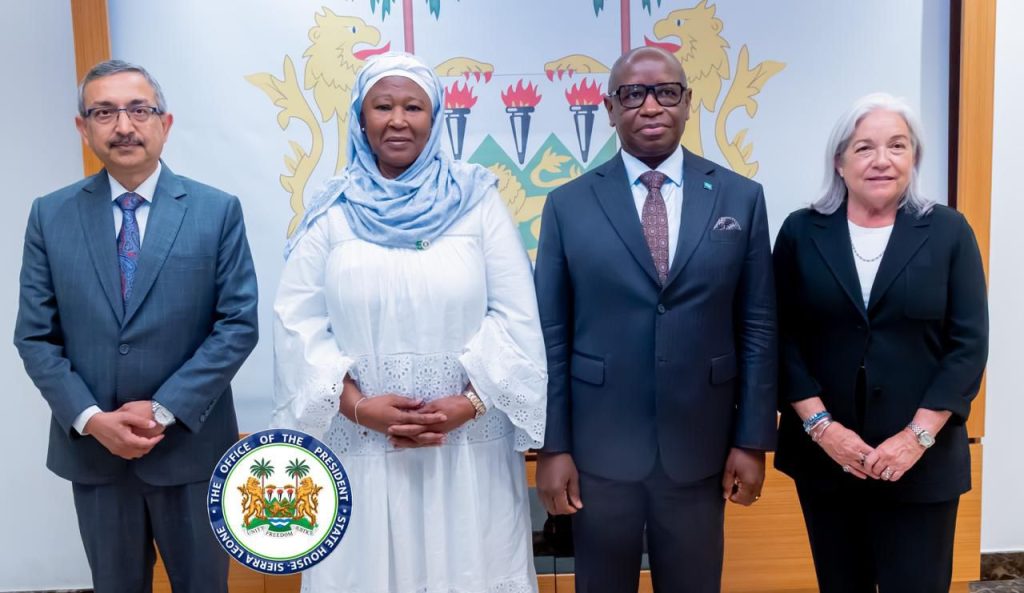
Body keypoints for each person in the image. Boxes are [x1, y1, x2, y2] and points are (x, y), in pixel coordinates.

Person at [270, 52, 547, 593]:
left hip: (466, 450)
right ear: (360, 118)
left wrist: (467, 405)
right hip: (362, 445)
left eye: (413, 106)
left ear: (435, 116)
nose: (398, 120)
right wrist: (356, 407)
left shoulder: (478, 201)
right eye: (383, 106)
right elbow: (297, 323)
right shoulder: (332, 209)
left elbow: (516, 314)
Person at [533, 46, 777, 593]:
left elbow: (758, 327)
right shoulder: (567, 204)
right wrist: (552, 446)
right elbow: (551, 335)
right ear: (609, 108)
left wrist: (753, 440)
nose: (650, 106)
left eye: (666, 92)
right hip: (598, 451)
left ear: (687, 103)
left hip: (702, 448)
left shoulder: (742, 197)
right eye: (632, 94)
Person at [14, 60, 258, 593]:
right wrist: (92, 419)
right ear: (83, 128)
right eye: (104, 112)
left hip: (191, 452)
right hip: (95, 454)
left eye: (138, 110)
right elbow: (35, 336)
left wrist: (164, 408)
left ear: (164, 123)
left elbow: (238, 324)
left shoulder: (216, 211)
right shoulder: (49, 216)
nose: (123, 125)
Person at [772, 93, 988, 593]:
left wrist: (916, 438)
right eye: (865, 147)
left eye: (897, 145)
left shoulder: (949, 231)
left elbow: (968, 345)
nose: (882, 160)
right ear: (840, 161)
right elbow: (780, 337)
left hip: (923, 460)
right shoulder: (802, 232)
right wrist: (823, 428)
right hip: (828, 459)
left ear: (914, 158)